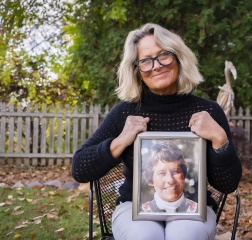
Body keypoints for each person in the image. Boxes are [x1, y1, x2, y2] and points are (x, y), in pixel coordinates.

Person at [72, 23, 242, 240]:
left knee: (184, 236)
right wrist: (121, 140)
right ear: (137, 69)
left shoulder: (208, 111)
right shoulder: (126, 111)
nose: (156, 65)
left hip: (193, 210)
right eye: (146, 60)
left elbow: (228, 185)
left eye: (164, 55)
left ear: (178, 58)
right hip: (134, 209)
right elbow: (79, 169)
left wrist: (220, 139)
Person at [141, 141, 197, 213]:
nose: (170, 180)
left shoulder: (197, 211)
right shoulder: (142, 213)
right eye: (162, 173)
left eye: (176, 172)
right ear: (151, 180)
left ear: (183, 174)